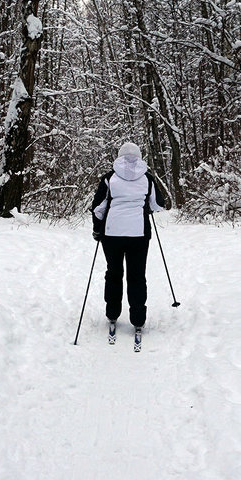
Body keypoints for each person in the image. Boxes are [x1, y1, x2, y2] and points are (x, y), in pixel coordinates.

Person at [91, 142, 164, 338]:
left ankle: (112, 314)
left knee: (114, 273)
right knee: (137, 275)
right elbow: (158, 205)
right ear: (139, 157)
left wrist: (97, 230)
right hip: (139, 235)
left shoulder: (109, 178)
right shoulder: (147, 179)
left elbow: (98, 208)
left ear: (119, 156)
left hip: (112, 234)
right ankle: (138, 319)